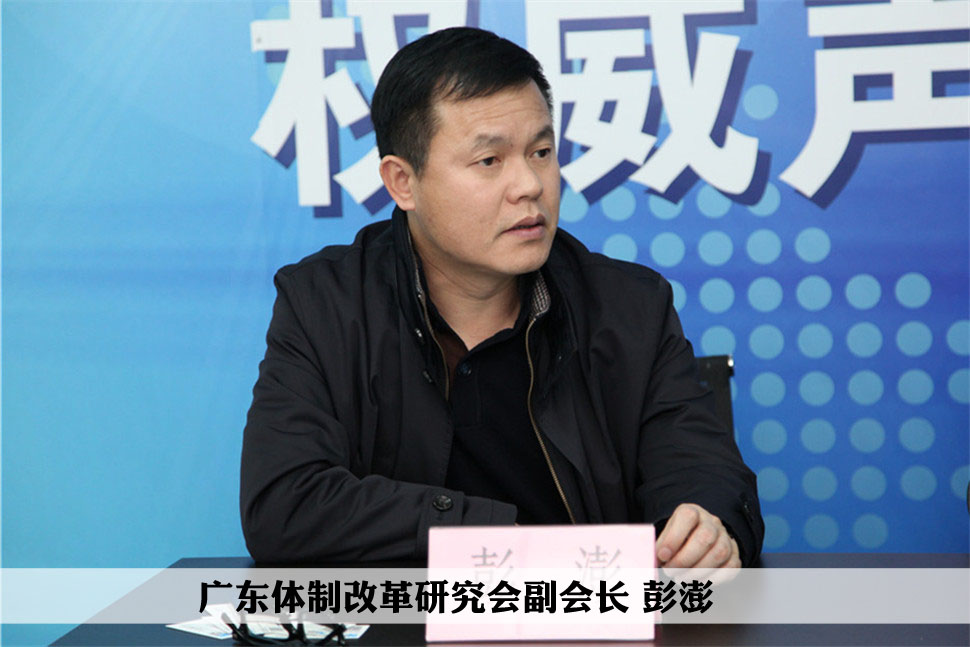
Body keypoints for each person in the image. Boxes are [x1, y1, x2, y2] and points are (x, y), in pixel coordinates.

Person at [240, 26, 763, 569]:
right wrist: (486, 537)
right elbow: (284, 506)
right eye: (489, 161)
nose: (530, 185)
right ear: (402, 183)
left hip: (591, 611)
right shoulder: (325, 305)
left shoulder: (629, 307)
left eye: (541, 152)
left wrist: (708, 526)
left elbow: (703, 470)